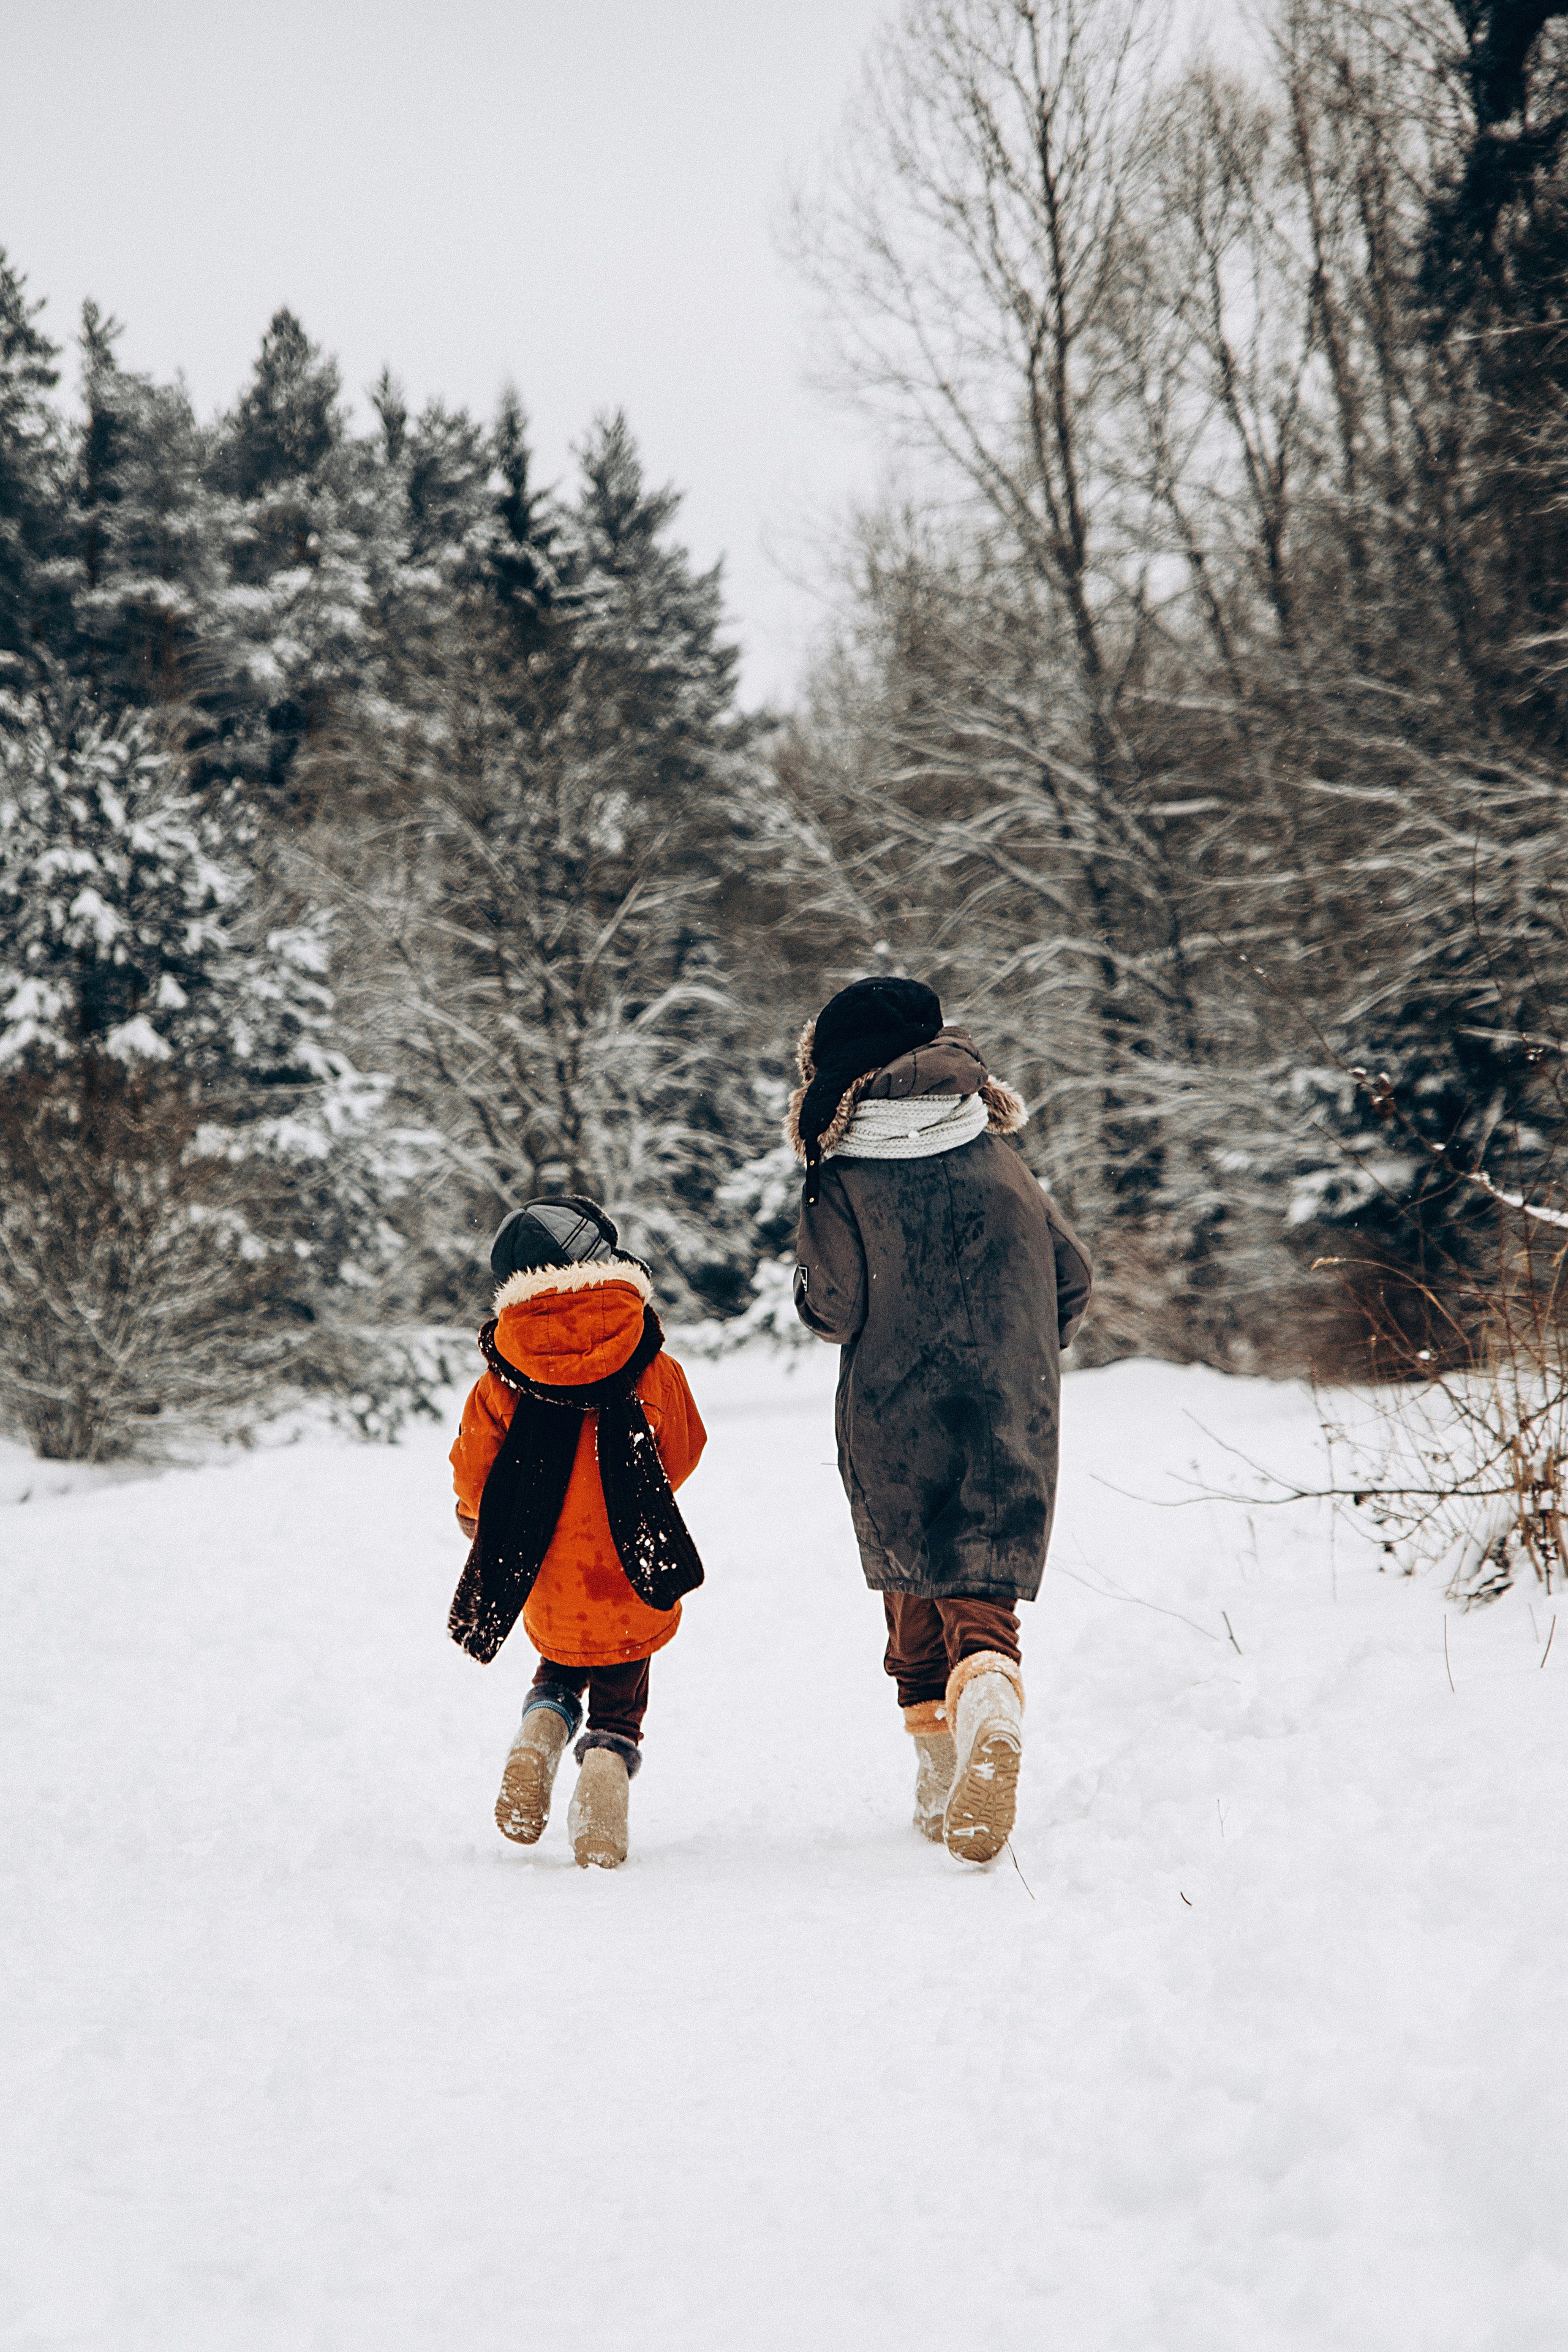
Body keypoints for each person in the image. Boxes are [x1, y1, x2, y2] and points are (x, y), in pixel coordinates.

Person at [789, 978, 1092, 1863]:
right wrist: (1024, 1346)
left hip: (892, 1400)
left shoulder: (842, 1174)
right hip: (1011, 1391)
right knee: (979, 1568)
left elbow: (834, 1307)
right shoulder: (996, 1153)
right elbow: (1072, 1274)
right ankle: (992, 1691)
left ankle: (937, 1768)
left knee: (912, 1571)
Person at [447, 1196, 707, 1869]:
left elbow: (474, 1479)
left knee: (562, 1655)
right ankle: (606, 1767)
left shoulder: (501, 1377)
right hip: (630, 1557)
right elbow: (682, 1449)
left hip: (544, 1564)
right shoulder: (650, 1363)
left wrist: (481, 1520)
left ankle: (543, 1726)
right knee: (624, 1669)